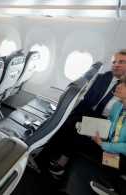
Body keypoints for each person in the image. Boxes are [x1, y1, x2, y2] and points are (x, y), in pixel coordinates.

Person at [49, 50, 126, 178]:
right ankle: (58, 156)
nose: (116, 65)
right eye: (114, 62)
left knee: (79, 135)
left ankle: (62, 162)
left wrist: (103, 143)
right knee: (75, 127)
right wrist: (91, 127)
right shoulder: (118, 106)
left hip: (119, 154)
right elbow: (110, 125)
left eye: (122, 62)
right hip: (107, 133)